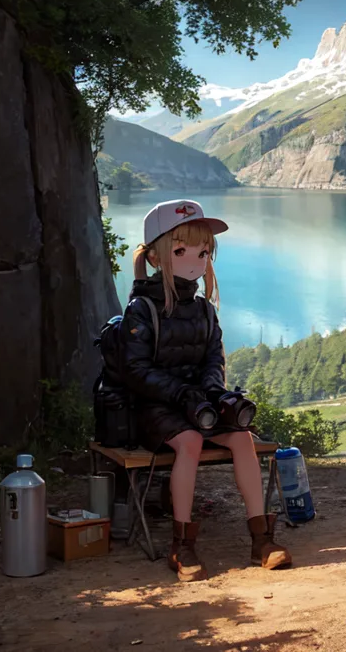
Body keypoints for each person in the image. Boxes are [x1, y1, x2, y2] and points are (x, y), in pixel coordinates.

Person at [120, 199, 292, 582]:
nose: (195, 261)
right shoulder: (141, 310)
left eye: (203, 251)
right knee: (190, 444)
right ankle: (182, 545)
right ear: (155, 258)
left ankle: (261, 539)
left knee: (243, 438)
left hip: (199, 404)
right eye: (180, 251)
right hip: (154, 408)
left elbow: (214, 359)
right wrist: (182, 395)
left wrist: (215, 394)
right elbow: (136, 371)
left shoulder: (203, 310)